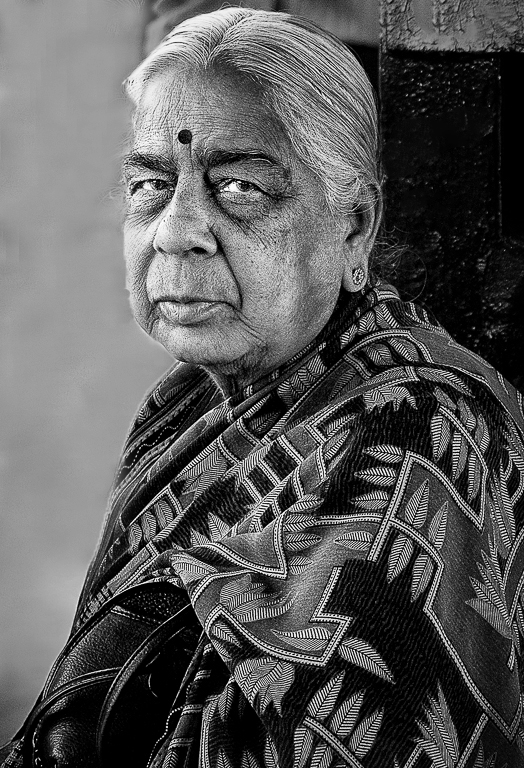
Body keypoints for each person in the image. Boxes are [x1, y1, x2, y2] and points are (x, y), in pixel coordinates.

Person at [2, 7, 524, 767]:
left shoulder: (416, 431)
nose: (176, 230)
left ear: (354, 228)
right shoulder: (183, 401)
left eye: (241, 187)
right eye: (150, 184)